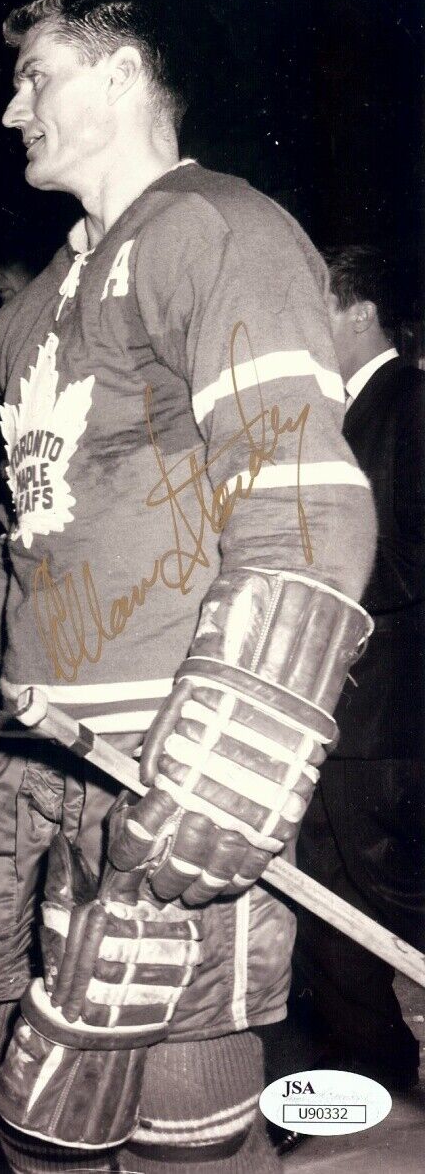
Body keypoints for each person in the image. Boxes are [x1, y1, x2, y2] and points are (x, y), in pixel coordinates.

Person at [0, 0, 376, 1172]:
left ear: (119, 74)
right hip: (29, 765)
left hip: (165, 756)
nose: (10, 110)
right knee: (29, 1108)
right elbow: (36, 544)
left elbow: (305, 500)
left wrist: (230, 768)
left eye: (34, 75)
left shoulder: (217, 228)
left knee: (183, 1143)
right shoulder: (28, 315)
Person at [278, 246, 424, 1101]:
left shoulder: (408, 403)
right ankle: (366, 1071)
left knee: (380, 895)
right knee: (335, 895)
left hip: (391, 712)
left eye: (313, 309)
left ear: (357, 311)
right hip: (344, 706)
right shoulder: (340, 411)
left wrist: (325, 577)